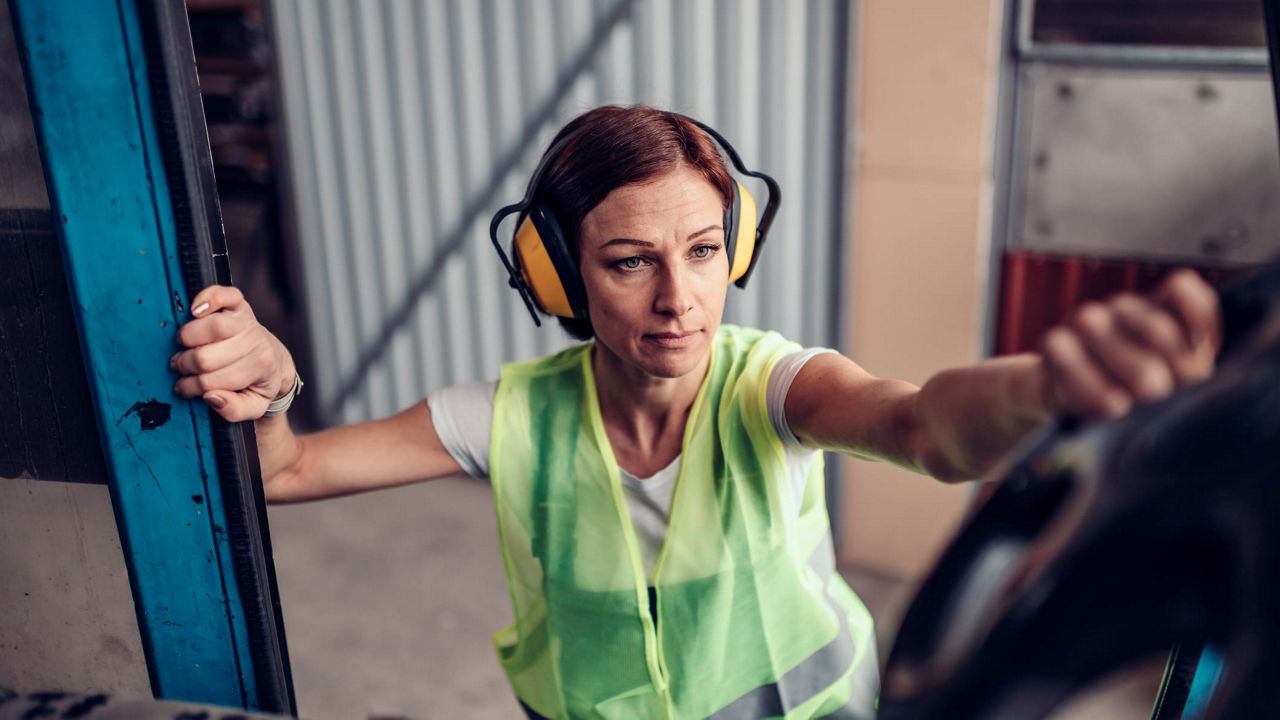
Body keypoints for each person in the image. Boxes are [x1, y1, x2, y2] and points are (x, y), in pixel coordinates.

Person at [170, 106, 1221, 719]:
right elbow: (284, 470)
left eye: (704, 251)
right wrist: (268, 385)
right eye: (628, 263)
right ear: (559, 276)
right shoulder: (507, 416)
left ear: (736, 249)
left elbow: (918, 427)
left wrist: (1044, 390)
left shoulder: (769, 386)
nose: (679, 300)